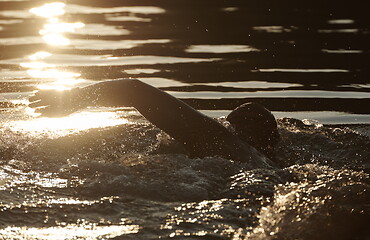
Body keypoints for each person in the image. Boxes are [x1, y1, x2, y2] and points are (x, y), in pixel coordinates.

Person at [29, 79, 280, 167]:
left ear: (236, 130)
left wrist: (74, 97)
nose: (224, 127)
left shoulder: (220, 140)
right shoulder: (267, 162)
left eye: (228, 125)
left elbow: (134, 89)